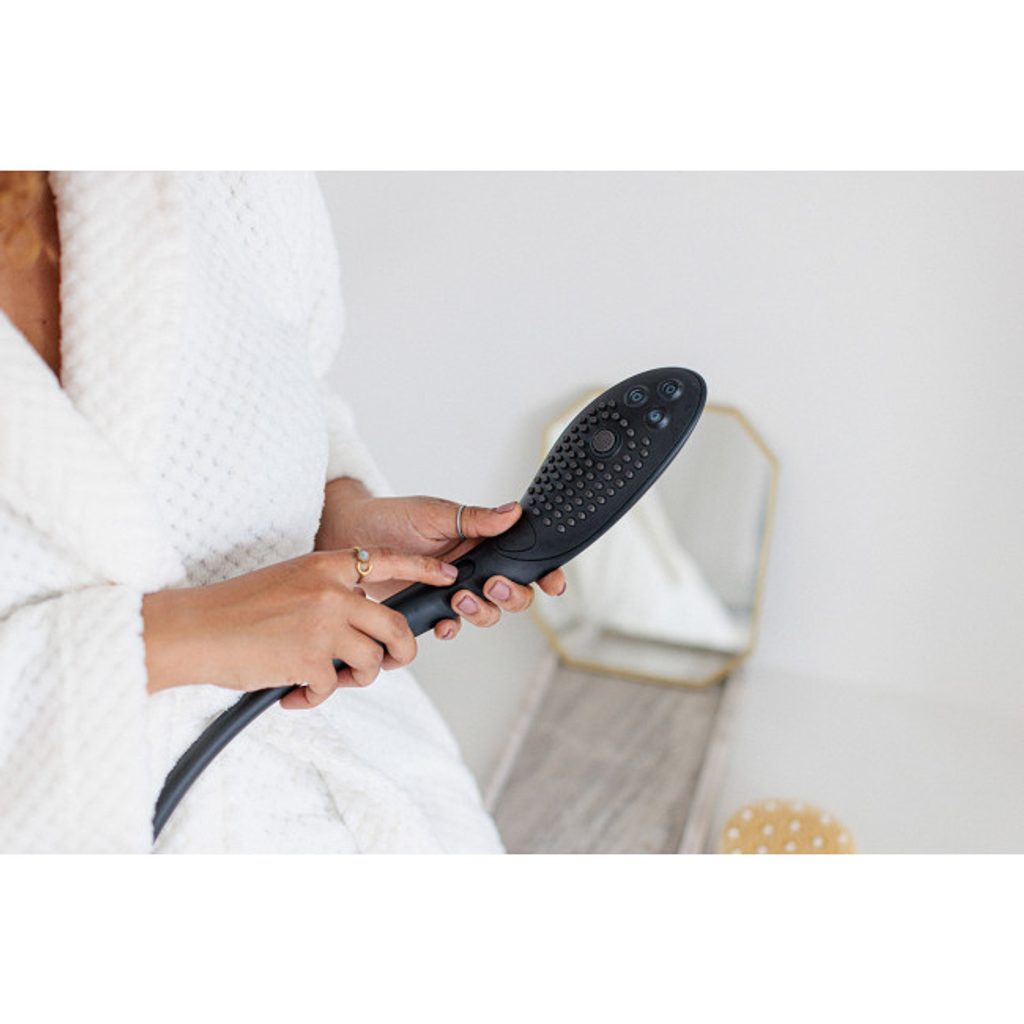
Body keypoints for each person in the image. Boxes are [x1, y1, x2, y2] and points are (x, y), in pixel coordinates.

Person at [0, 171, 565, 853]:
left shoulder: (235, 171)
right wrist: (175, 638)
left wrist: (339, 517)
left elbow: (295, 378)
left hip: (369, 805)